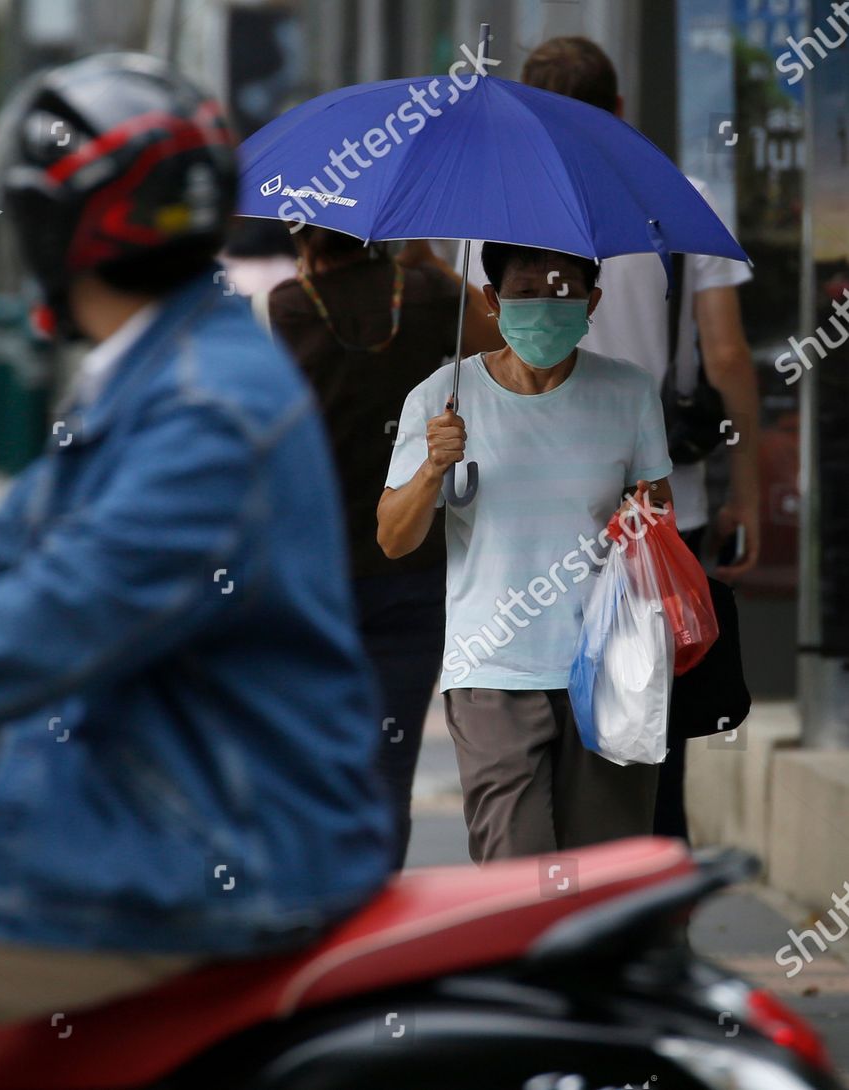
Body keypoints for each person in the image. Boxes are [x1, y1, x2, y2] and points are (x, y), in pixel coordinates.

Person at [0, 53, 394, 1090]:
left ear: (61, 232)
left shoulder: (203, 408)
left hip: (223, 821)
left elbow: (68, 608)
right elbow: (7, 539)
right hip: (139, 783)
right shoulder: (161, 364)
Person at [473, 36, 760, 842]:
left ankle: (553, 902)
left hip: (531, 520)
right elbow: (729, 352)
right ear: (622, 109)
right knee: (649, 720)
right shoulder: (679, 200)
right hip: (661, 513)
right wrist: (743, 488)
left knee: (537, 720)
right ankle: (648, 904)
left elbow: (478, 357)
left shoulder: (494, 217)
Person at [377, 241, 674, 863]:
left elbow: (657, 516)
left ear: (592, 301)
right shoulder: (441, 399)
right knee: (514, 870)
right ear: (493, 300)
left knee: (601, 882)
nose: (547, 303)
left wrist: (641, 517)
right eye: (527, 289)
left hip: (609, 670)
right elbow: (394, 538)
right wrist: (433, 468)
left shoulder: (629, 392)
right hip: (492, 670)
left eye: (564, 289)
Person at [266, 227, 500, 867]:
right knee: (387, 767)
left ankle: (317, 911)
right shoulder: (425, 296)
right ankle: (377, 912)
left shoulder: (290, 305)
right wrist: (438, 273)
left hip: (318, 576)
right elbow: (500, 343)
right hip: (413, 561)